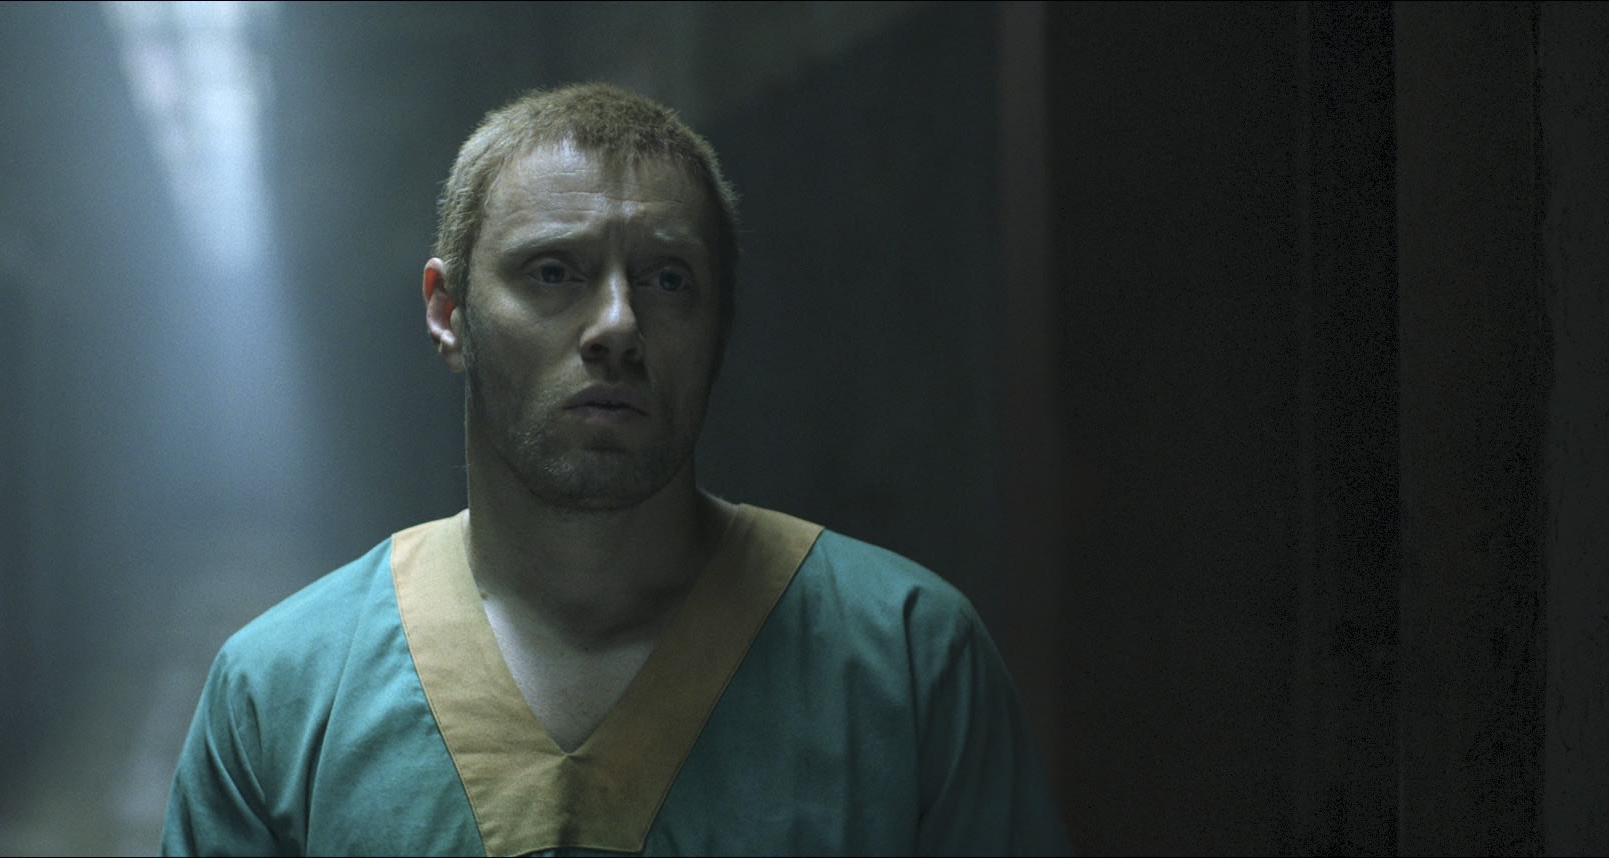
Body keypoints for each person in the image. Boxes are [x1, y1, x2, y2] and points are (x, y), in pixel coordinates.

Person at [161, 82, 1070, 857]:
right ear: (448, 313)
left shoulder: (907, 662)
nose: (618, 325)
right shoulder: (279, 697)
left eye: (668, 279)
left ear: (721, 325)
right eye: (554, 272)